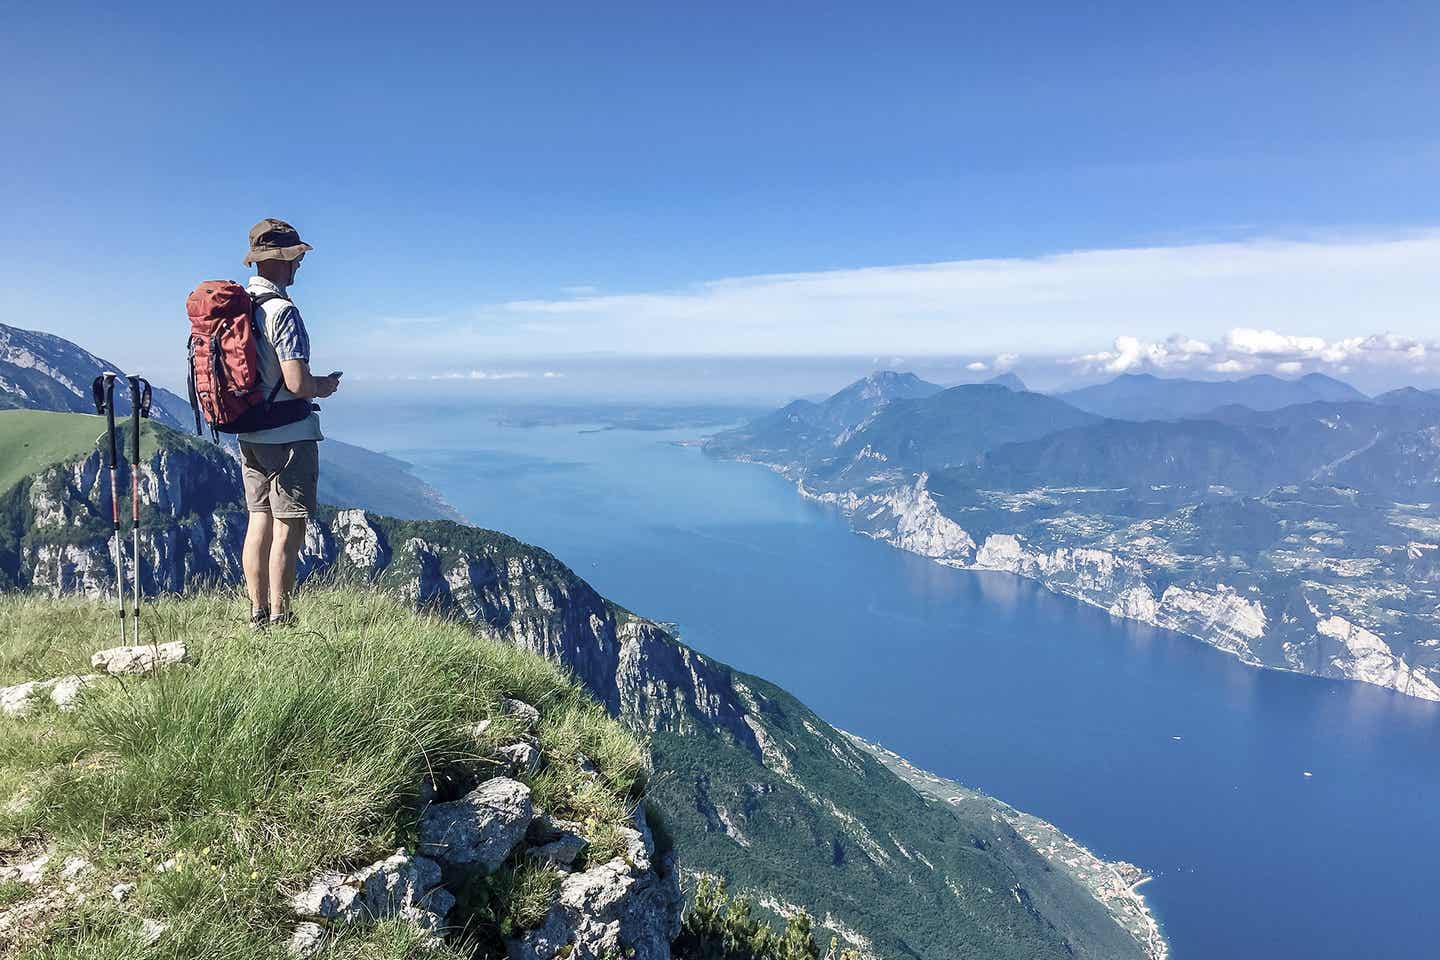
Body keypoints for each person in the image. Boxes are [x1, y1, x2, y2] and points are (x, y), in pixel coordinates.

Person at [238, 218, 340, 629]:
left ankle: (256, 613)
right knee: (288, 526)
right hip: (290, 436)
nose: (299, 265)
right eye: (296, 257)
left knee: (257, 519)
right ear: (283, 260)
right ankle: (281, 615)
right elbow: (297, 383)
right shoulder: (283, 312)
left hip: (248, 430)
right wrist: (325, 386)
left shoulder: (239, 306)